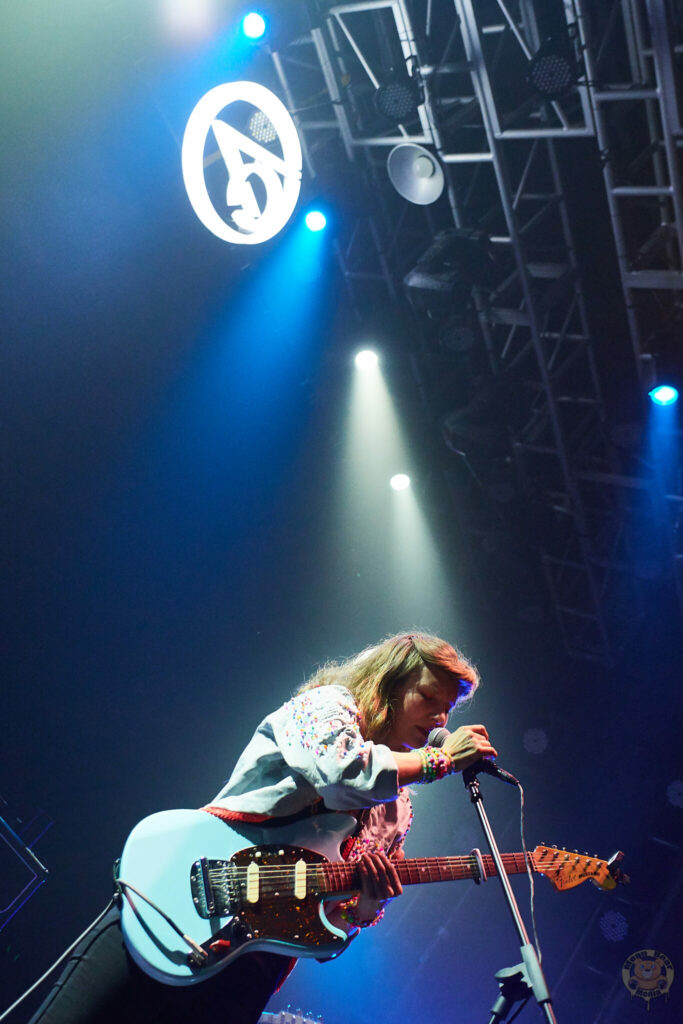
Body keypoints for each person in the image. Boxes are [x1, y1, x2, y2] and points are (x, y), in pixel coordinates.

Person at [26, 632, 496, 1024]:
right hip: (175, 897)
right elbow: (343, 774)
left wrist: (363, 909)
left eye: (448, 708)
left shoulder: (397, 811)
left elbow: (332, 921)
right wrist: (439, 760)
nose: (440, 719)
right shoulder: (324, 707)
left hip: (252, 963)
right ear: (387, 686)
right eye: (428, 697)